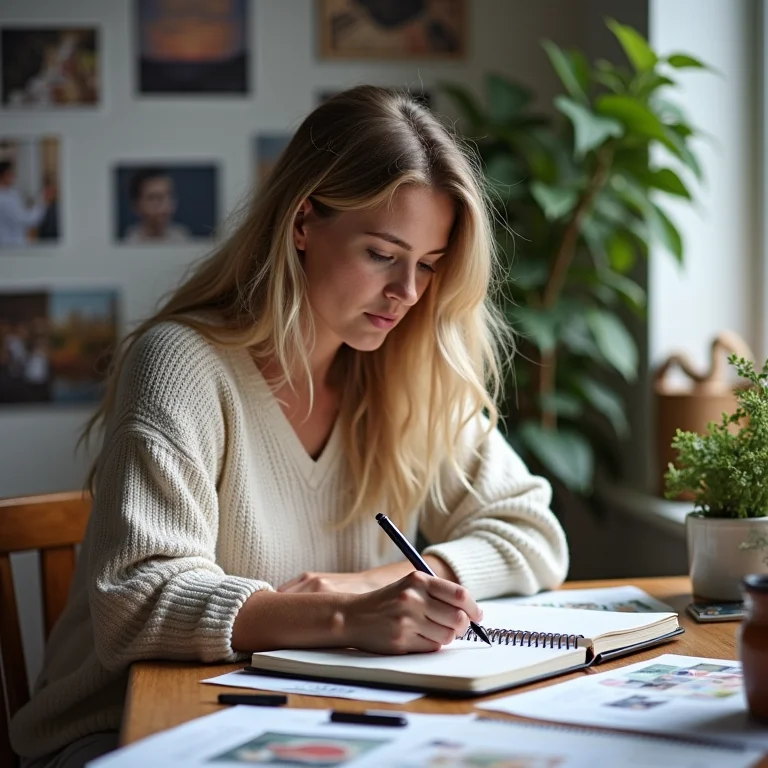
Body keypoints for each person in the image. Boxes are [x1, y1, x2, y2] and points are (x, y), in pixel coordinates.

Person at [11, 86, 569, 767]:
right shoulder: (181, 365)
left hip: (310, 714)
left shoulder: (409, 368)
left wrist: (367, 586)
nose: (408, 293)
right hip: (120, 730)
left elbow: (531, 531)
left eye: (428, 265)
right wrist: (344, 617)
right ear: (303, 221)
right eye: (382, 254)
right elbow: (138, 602)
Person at [122, 167, 192, 244]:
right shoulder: (127, 243)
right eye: (154, 197)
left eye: (168, 195)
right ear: (136, 205)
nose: (165, 204)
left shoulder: (183, 238)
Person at [0, 160, 53, 246]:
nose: (14, 176)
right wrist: (43, 203)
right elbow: (26, 219)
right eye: (10, 173)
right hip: (9, 245)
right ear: (4, 175)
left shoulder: (11, 194)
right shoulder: (3, 198)